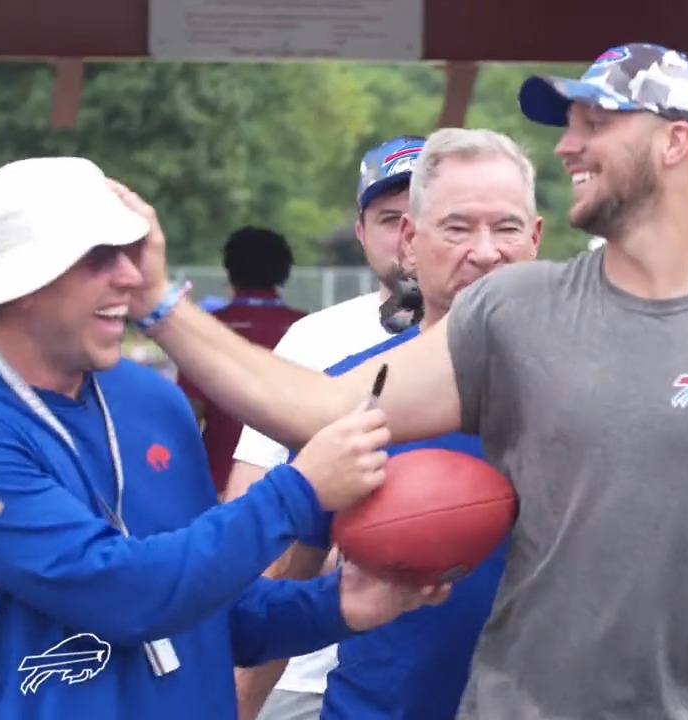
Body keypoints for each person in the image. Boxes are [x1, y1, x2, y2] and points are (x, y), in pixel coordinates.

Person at [124, 41, 688, 719]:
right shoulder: (520, 312)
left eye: (596, 124)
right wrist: (160, 304)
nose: (566, 148)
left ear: (673, 142)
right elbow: (323, 407)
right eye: (457, 226)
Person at [0, 156, 449, 720]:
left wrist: (336, 604)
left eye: (129, 252)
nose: (131, 277)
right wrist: (300, 491)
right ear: (22, 281)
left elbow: (210, 612)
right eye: (97, 258)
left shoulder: (150, 399)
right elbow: (123, 593)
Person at [305, 127, 541, 720]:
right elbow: (279, 581)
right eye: (457, 228)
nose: (485, 251)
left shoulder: (599, 390)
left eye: (507, 228)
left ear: (535, 239)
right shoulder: (346, 396)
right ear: (409, 241)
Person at [229, 134, 426, 720]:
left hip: (449, 668)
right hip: (307, 668)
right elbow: (251, 500)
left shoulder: (516, 335)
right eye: (390, 218)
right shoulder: (315, 339)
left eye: (427, 213)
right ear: (362, 232)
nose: (409, 234)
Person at [177, 225, 306, 495]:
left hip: (220, 487)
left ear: (229, 269)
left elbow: (187, 418)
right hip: (297, 487)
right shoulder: (306, 328)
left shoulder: (206, 329)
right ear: (285, 270)